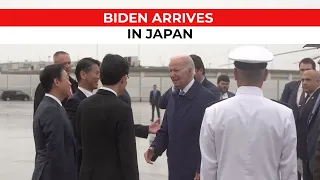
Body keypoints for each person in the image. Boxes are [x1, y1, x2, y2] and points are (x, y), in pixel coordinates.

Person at [199, 45, 297, 180]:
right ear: (265, 75)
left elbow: (208, 167)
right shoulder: (284, 114)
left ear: (234, 74)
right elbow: (289, 169)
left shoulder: (213, 113)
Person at [144, 55, 217, 180]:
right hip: (174, 168)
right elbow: (165, 130)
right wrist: (154, 147)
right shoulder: (173, 95)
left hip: (196, 172)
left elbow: (212, 140)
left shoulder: (207, 99)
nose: (172, 74)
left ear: (190, 71)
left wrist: (201, 168)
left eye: (176, 70)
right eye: (170, 70)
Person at [76, 54, 139, 180]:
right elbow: (128, 157)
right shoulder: (122, 109)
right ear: (123, 78)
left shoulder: (84, 105)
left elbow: (79, 145)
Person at [32, 64, 77, 180]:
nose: (70, 83)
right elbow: (56, 152)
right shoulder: (50, 110)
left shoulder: (54, 106)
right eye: (67, 79)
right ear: (56, 82)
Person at [63, 57, 101, 175]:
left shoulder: (98, 100)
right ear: (83, 74)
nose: (98, 77)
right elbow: (75, 138)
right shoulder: (74, 102)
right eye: (96, 73)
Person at [296, 70, 320, 180]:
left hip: (313, 156)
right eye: (302, 80)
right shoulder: (308, 98)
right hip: (305, 155)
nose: (304, 83)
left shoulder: (316, 98)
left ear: (318, 81)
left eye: (308, 80)